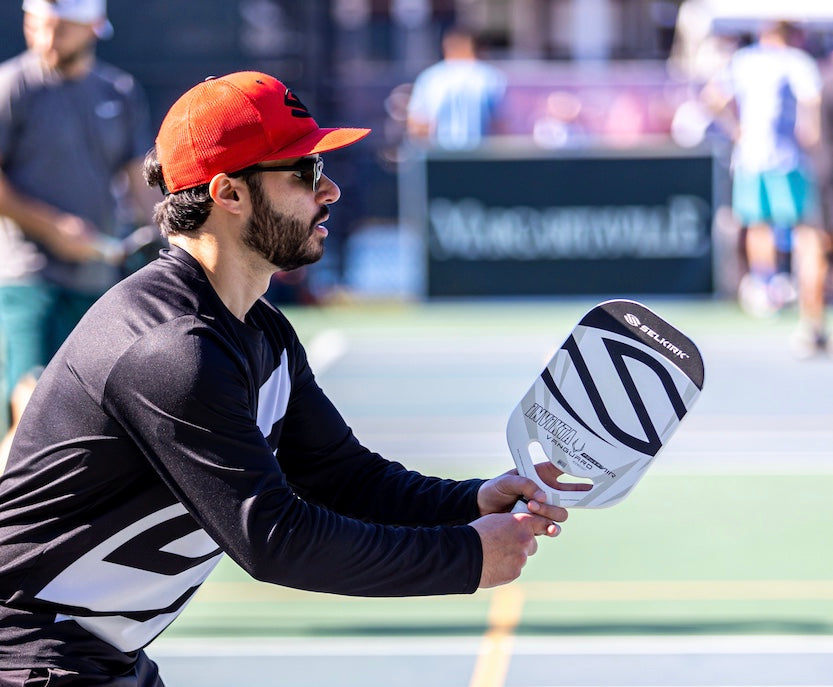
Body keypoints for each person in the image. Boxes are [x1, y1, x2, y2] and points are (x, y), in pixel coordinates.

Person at [0, 71, 583, 685]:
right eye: (305, 173)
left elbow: (342, 477)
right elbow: (275, 539)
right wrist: (466, 557)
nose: (329, 189)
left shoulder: (260, 329)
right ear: (229, 193)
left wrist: (469, 501)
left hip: (92, 657)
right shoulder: (171, 351)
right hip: (30, 657)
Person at [0, 0, 159, 436]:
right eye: (37, 27)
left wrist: (165, 241)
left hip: (97, 283)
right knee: (30, 413)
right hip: (29, 281)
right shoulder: (12, 85)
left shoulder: (118, 91)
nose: (46, 41)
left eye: (60, 29)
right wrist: (52, 228)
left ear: (93, 27)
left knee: (90, 423)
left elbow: (136, 178)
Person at [701, 21, 828, 355]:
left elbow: (712, 97)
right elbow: (811, 110)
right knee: (807, 232)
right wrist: (812, 143)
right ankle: (806, 316)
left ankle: (766, 284)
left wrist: (736, 129)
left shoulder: (744, 61)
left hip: (752, 159)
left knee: (760, 224)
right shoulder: (797, 61)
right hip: (789, 161)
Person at [406, 25, 506, 150]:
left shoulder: (431, 77)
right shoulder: (489, 76)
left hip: (440, 156)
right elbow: (500, 125)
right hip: (480, 156)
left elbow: (417, 125)